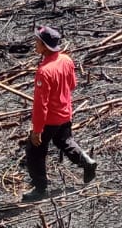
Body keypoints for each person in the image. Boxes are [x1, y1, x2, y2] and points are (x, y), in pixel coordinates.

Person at [23, 25, 96, 202]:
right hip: (65, 113)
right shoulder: (66, 60)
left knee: (35, 151)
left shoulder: (44, 72)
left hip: (50, 119)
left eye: (37, 41)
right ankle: (86, 161)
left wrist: (37, 130)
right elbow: (72, 85)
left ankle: (40, 189)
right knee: (64, 141)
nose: (35, 44)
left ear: (44, 45)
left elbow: (41, 105)